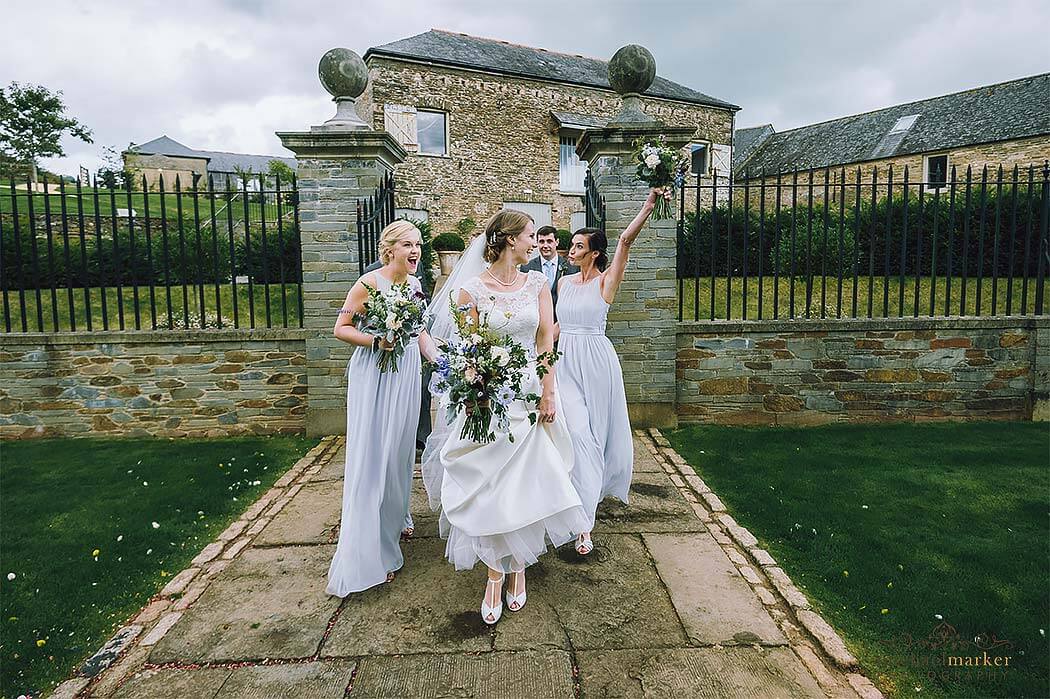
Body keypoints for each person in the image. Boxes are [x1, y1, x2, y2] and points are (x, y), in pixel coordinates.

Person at [421, 210, 587, 624]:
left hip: (531, 397)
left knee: (526, 485)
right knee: (491, 486)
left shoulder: (537, 284)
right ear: (510, 239)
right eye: (531, 235)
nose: (538, 242)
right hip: (489, 400)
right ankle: (496, 573)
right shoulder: (470, 290)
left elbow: (545, 337)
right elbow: (467, 350)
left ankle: (518, 569)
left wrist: (549, 392)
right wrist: (477, 389)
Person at [555, 187, 670, 555]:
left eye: (578, 246)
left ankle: (583, 520)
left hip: (597, 362)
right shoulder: (562, 284)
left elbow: (625, 240)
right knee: (576, 435)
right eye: (570, 245)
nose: (571, 250)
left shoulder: (606, 280)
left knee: (594, 435)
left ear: (595, 253)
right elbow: (555, 327)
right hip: (564, 362)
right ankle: (576, 514)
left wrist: (649, 205)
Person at [327, 220, 438, 597]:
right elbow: (341, 328)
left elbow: (420, 332)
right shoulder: (368, 284)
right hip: (375, 375)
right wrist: (377, 340)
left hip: (405, 374)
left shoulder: (416, 285)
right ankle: (374, 547)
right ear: (389, 248)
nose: (416, 251)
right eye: (408, 244)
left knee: (401, 452)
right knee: (375, 453)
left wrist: (443, 361)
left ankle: (395, 515)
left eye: (419, 244)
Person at [519, 225, 577, 320]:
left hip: (564, 321)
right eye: (542, 242)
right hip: (538, 320)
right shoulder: (527, 267)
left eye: (549, 241)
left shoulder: (571, 267)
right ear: (537, 243)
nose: (545, 246)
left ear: (556, 242)